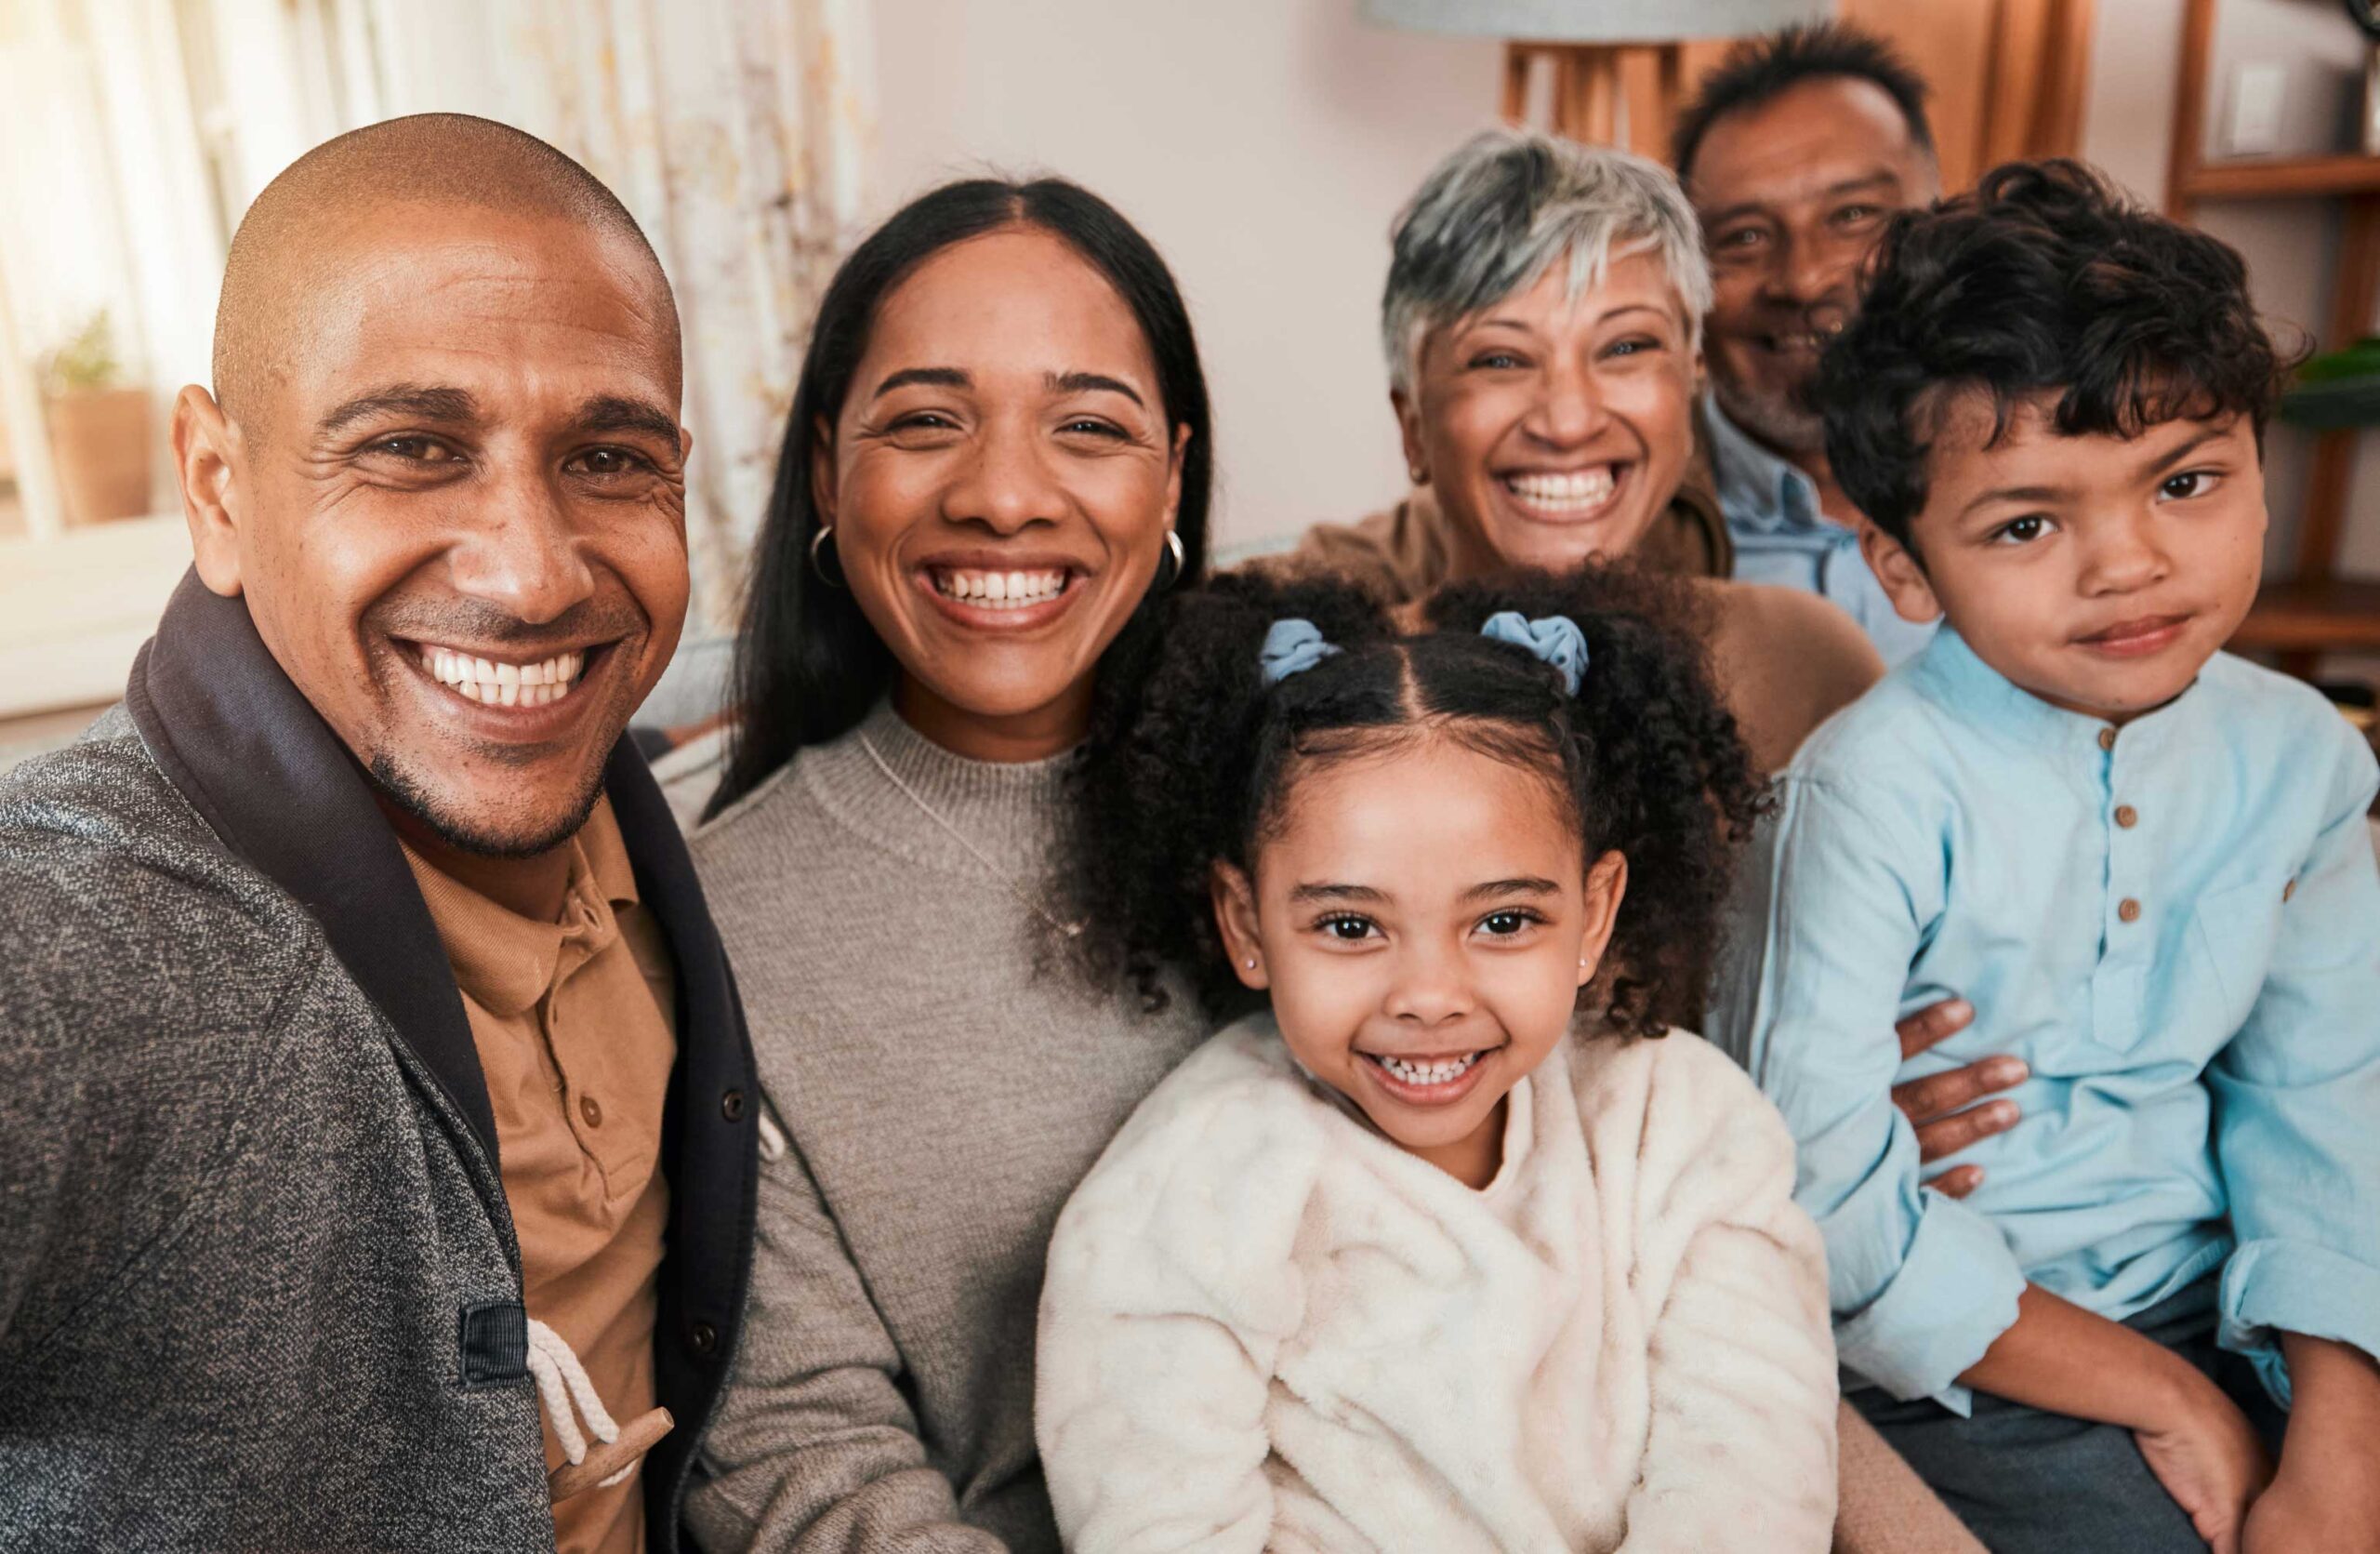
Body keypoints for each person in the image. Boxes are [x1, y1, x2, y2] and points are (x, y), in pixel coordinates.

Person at [0, 115, 756, 1553]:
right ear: (217, 487)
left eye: (608, 456)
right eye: (413, 447)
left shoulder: (644, 806)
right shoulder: (90, 935)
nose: (533, 573)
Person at [1712, 161, 2380, 1554]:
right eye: (2028, 521)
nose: (2126, 563)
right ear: (1904, 566)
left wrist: (2334, 1434)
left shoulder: (2305, 757)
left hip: (2239, 1293)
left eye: (2185, 481)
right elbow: (1822, 1202)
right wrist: (2165, 1392)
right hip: (1970, 1350)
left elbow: (2328, 1108)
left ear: (2265, 466)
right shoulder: (1868, 793)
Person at [1037, 565, 1836, 1550]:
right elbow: (1158, 1525)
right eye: (1348, 925)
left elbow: (1752, 1469)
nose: (1427, 995)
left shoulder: (1683, 1126)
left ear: (1594, 915)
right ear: (1246, 924)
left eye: (1502, 920)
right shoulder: (1185, 1197)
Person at [681, 178, 1215, 1551]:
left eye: (1088, 426)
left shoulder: (1333, 797)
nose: (1002, 495)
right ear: (822, 468)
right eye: (925, 422)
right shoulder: (718, 929)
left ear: (1174, 473)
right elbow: (809, 1453)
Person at [1672, 21, 1943, 665]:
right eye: (1744, 236)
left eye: (1851, 216)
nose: (1802, 279)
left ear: (1940, 223)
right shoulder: (1620, 511)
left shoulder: (2047, 472)